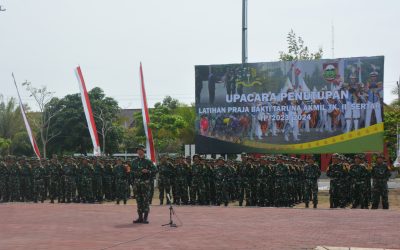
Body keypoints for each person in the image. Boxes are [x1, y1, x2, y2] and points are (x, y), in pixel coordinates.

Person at [131, 145, 156, 224]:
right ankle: (140, 217)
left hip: (145, 183)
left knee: (145, 200)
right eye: (138, 150)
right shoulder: (134, 161)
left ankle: (145, 218)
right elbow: (131, 171)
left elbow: (155, 170)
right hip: (137, 183)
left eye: (141, 150)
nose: (139, 151)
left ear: (143, 151)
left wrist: (148, 171)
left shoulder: (148, 161)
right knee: (139, 200)